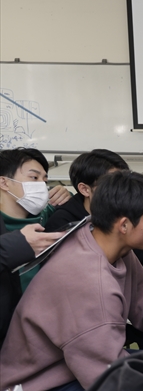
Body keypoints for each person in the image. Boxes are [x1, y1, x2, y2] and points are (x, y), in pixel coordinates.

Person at [0, 170, 143, 391]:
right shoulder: (89, 281)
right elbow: (105, 376)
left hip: (78, 365)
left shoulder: (109, 244)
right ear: (123, 225)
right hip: (36, 389)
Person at [44, 149, 143, 281]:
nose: (121, 190)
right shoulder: (62, 224)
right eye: (112, 184)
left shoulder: (131, 214)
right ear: (85, 189)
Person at [0, 148, 71, 345]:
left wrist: (68, 196)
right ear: (4, 182)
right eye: (34, 177)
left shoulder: (48, 216)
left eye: (45, 180)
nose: (41, 185)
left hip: (44, 333)